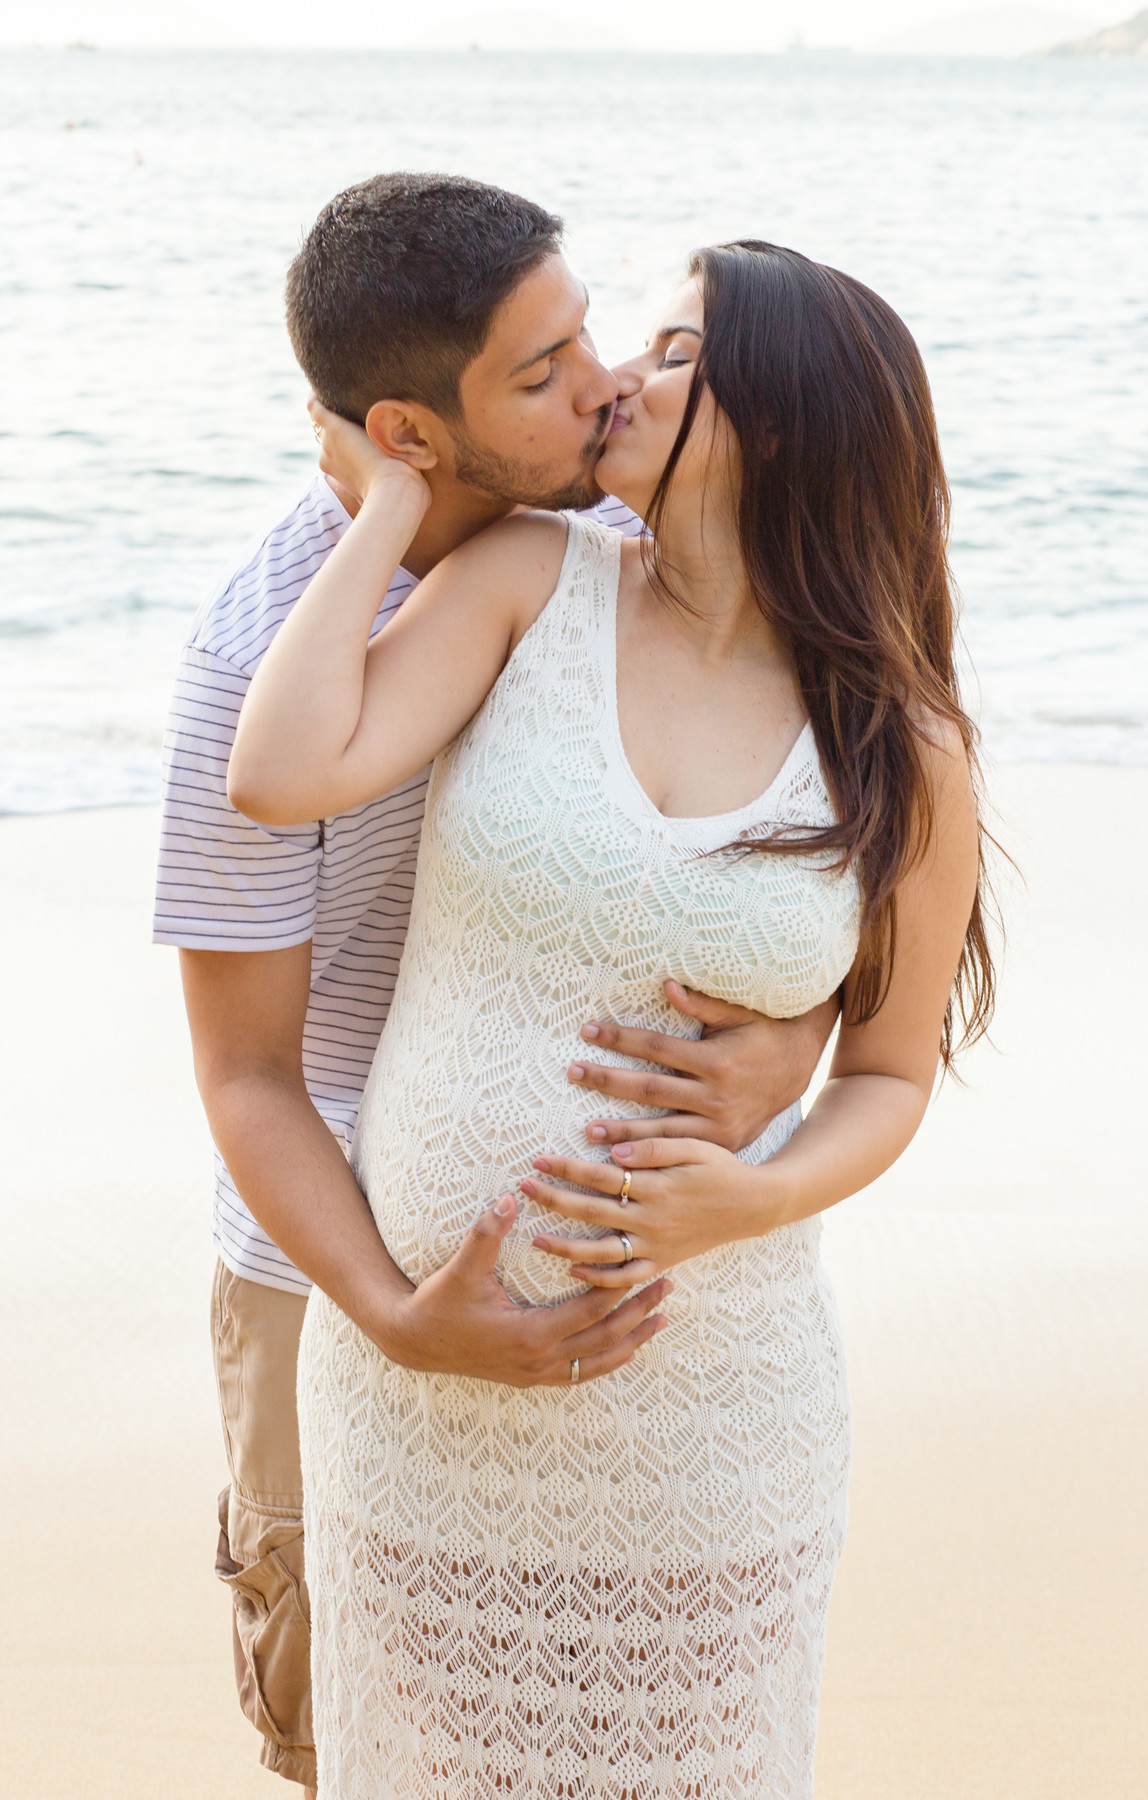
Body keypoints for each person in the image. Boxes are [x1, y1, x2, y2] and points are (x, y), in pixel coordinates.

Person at [228, 237, 996, 1798]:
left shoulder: (900, 746)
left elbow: (894, 1071)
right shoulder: (529, 579)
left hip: (709, 1420)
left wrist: (757, 1192)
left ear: (776, 415)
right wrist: (390, 488)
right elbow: (284, 768)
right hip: (419, 1421)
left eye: (672, 350)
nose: (618, 384)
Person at [153, 174, 837, 1795]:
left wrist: (790, 1043)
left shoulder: (622, 545)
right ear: (407, 431)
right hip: (329, 1278)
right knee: (363, 1742)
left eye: (589, 331)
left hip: (635, 1324)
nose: (603, 380)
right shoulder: (255, 653)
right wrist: (394, 1316)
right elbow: (248, 1075)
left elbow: (826, 843)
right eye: (542, 373)